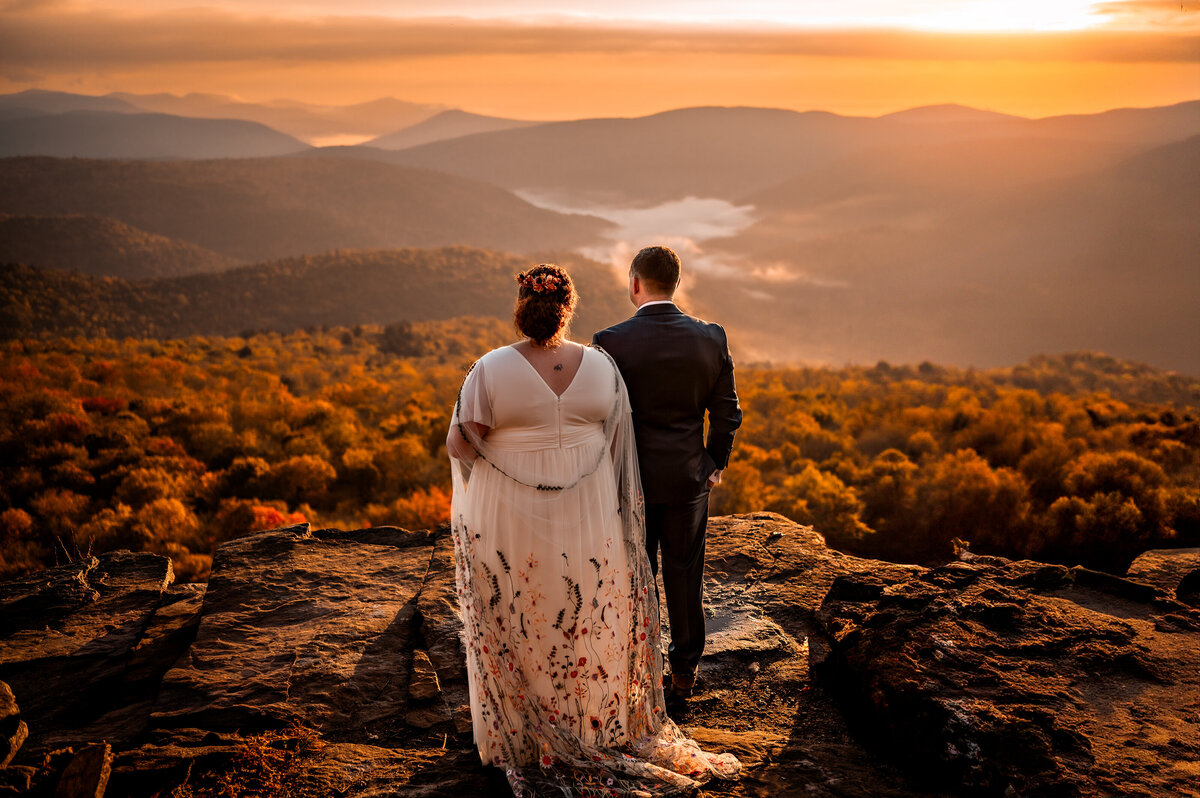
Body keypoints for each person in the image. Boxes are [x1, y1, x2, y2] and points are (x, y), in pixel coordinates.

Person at [446, 263, 741, 796]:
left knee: (522, 607)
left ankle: (518, 729)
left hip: (518, 514)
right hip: (601, 505)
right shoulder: (607, 365)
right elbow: (625, 439)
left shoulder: (492, 369)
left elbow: (462, 446)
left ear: (522, 309)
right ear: (567, 308)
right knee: (596, 603)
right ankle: (605, 710)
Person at [591, 246, 742, 701]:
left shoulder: (610, 341)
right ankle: (683, 672)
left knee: (635, 574)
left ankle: (636, 665)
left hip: (629, 480)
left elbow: (599, 417)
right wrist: (713, 463)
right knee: (684, 573)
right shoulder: (711, 337)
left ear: (635, 283)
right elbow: (727, 413)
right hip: (686, 479)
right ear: (676, 283)